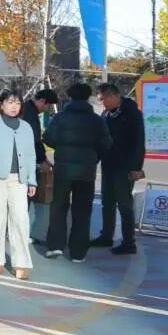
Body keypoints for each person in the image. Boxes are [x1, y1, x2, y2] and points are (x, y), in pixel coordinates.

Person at [42, 82, 112, 262]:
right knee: (82, 211)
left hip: (63, 170)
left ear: (70, 97)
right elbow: (106, 144)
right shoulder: (96, 120)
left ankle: (55, 245)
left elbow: (48, 138)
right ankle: (78, 252)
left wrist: (62, 148)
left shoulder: (61, 118)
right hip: (86, 172)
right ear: (87, 97)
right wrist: (93, 156)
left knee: (58, 207)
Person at [0, 90, 38, 279]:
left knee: (20, 219)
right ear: (1, 105)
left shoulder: (26, 127)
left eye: (17, 103)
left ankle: (22, 262)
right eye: (10, 102)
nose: (14, 106)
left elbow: (31, 155)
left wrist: (32, 180)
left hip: (19, 179)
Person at [92, 82, 146, 255]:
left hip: (125, 166)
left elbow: (139, 142)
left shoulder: (131, 113)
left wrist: (136, 167)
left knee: (124, 204)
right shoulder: (106, 114)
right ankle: (106, 236)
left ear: (113, 96)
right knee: (107, 202)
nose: (102, 103)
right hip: (108, 164)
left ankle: (129, 242)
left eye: (103, 99)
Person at [22, 88, 59, 245]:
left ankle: (19, 231)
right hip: (24, 163)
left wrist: (43, 158)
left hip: (24, 160)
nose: (47, 109)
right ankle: (20, 233)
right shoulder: (29, 114)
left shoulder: (27, 109)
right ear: (42, 101)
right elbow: (34, 140)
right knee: (24, 198)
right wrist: (42, 160)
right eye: (48, 105)